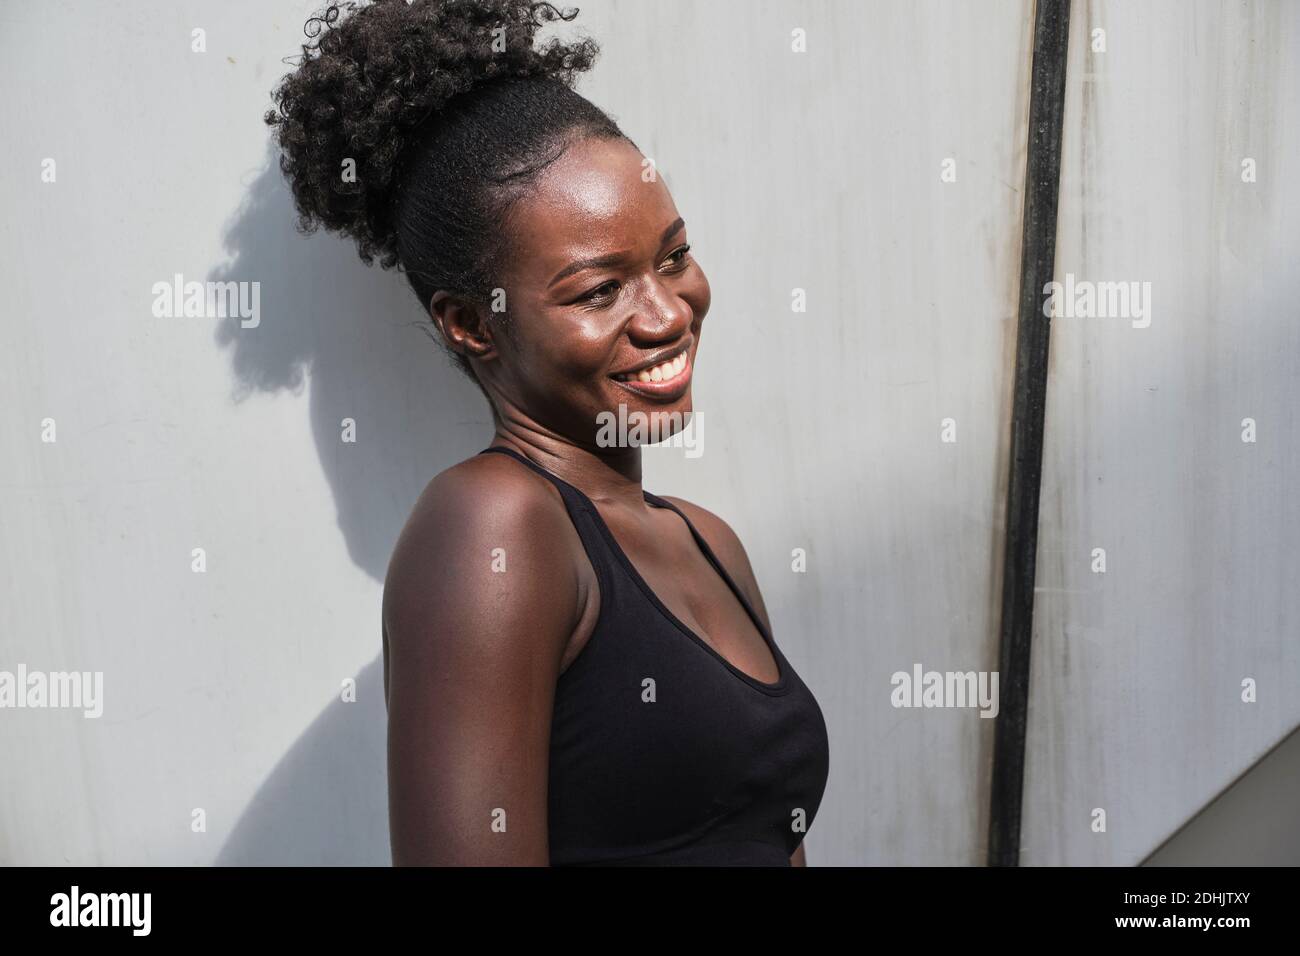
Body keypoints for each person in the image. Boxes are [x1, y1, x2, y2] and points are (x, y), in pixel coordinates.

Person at [265, 0, 830, 865]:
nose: (667, 313)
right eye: (599, 291)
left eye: (673, 257)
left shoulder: (705, 540)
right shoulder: (493, 525)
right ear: (471, 324)